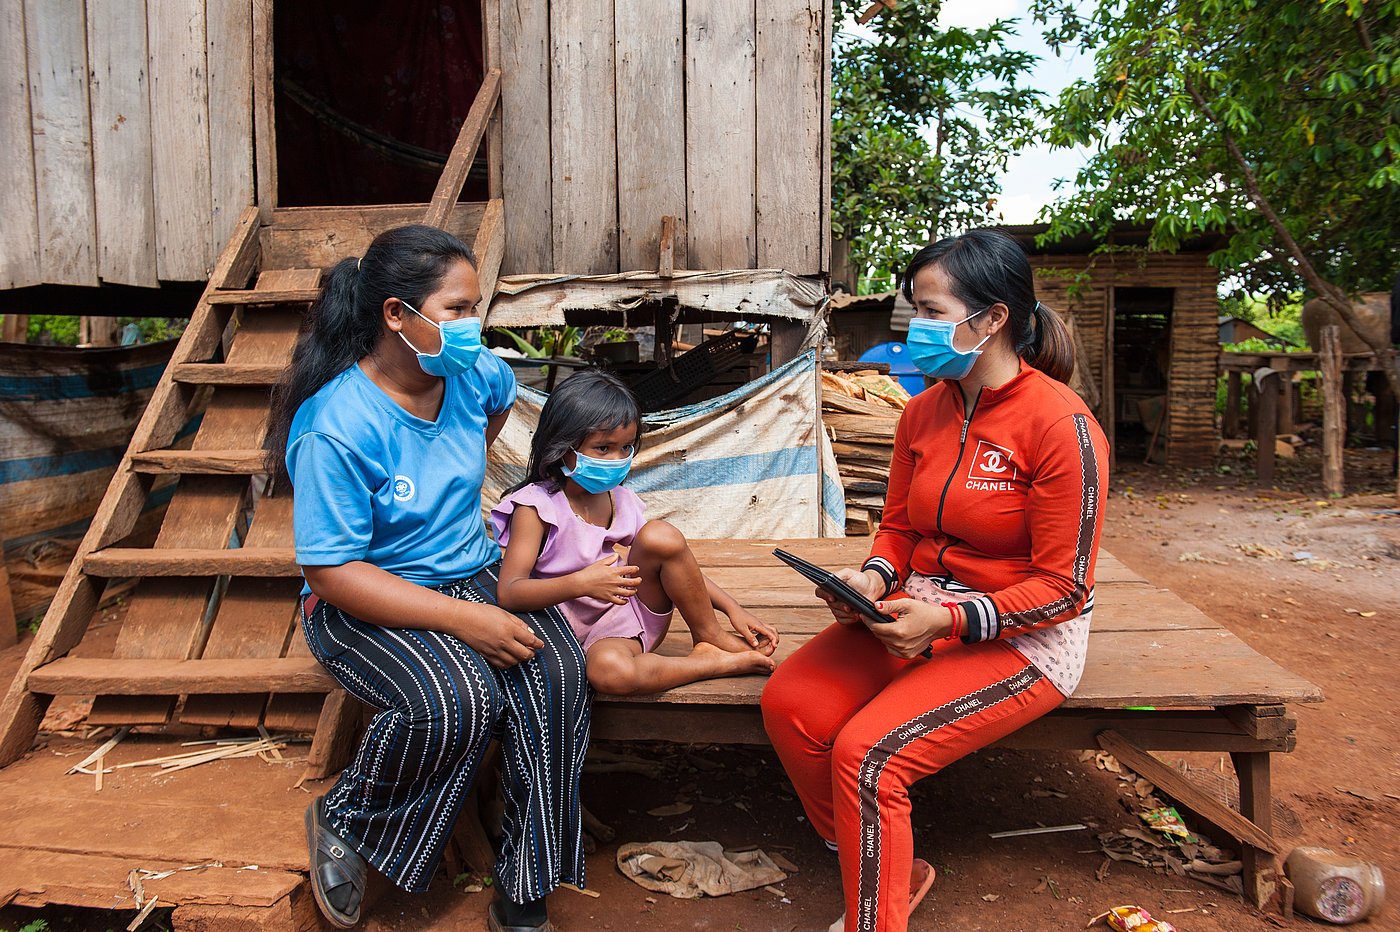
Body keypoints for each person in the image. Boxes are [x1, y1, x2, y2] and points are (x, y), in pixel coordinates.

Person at [761, 229, 1110, 932]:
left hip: (1022, 637)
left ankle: (875, 918)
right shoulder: (922, 411)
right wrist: (869, 578)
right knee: (791, 704)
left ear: (992, 318)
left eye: (929, 309)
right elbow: (900, 527)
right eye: (912, 309)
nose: (913, 328)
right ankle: (881, 860)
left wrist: (946, 623)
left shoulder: (1062, 429)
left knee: (869, 755)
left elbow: (1064, 590)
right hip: (914, 609)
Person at [265, 224, 589, 932]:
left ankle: (525, 878)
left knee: (558, 670)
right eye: (458, 310)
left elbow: (495, 403)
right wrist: (468, 620)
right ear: (394, 314)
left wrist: (454, 472)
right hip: (361, 601)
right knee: (457, 700)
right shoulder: (335, 426)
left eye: (477, 307)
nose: (474, 327)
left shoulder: (474, 376)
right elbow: (332, 569)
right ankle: (347, 818)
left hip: (470, 571)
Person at [491, 370, 779, 695]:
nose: (617, 459)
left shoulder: (620, 498)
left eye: (625, 447)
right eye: (603, 448)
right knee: (609, 672)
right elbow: (510, 592)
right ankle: (711, 663)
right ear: (563, 445)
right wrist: (580, 584)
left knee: (661, 536)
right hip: (563, 631)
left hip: (625, 619)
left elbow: (676, 563)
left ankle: (709, 636)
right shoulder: (535, 507)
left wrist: (732, 608)